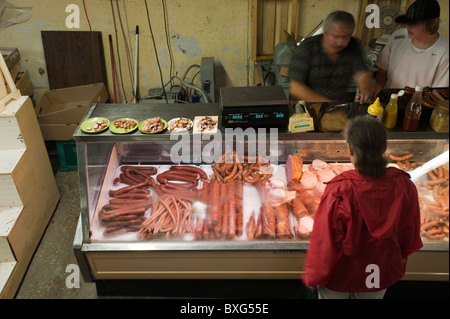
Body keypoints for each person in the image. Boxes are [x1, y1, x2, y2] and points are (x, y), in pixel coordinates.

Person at [302, 116, 423, 299]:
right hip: (380, 271)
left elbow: (324, 241)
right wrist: (399, 257)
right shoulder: (406, 185)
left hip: (341, 275)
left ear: (350, 149)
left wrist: (314, 276)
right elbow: (411, 233)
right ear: (383, 148)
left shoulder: (340, 189)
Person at [289, 11, 374, 104]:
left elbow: (362, 74)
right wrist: (327, 104)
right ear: (325, 32)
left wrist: (365, 90)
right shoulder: (307, 48)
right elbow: (296, 87)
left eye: (346, 37)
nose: (340, 43)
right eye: (336, 37)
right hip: (306, 107)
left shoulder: (353, 46)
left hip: (337, 106)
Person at [375, 0, 449, 93]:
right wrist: (377, 99)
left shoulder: (445, 53)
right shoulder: (397, 37)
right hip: (387, 101)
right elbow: (382, 73)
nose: (408, 27)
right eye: (408, 22)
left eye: (416, 23)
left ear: (433, 22)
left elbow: (437, 94)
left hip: (418, 105)